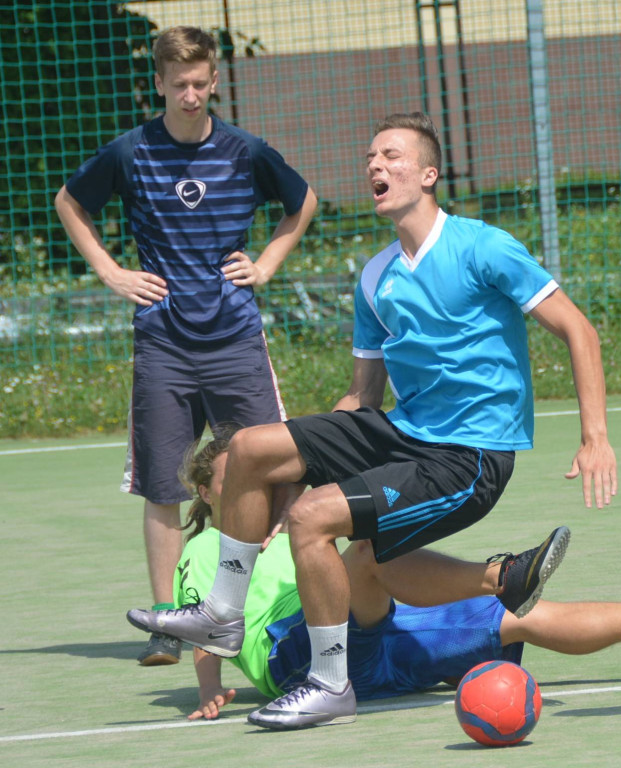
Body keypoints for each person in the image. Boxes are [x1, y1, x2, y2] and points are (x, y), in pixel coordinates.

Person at [127, 111, 618, 729]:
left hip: (468, 454)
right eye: (369, 159)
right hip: (405, 431)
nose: (375, 167)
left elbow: (579, 330)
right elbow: (362, 395)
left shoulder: (482, 246)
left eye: (391, 156)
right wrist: (309, 456)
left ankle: (331, 686)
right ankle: (223, 612)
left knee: (311, 519)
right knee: (251, 447)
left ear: (429, 173)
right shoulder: (376, 276)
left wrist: (594, 437)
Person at [130, 433, 621, 723]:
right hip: (293, 652)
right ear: (210, 493)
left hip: (368, 633)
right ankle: (503, 573)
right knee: (371, 548)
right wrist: (208, 686)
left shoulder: (297, 523)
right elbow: (208, 620)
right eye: (237, 479)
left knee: (511, 622)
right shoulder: (209, 546)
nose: (254, 486)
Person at [54, 26, 318, 667]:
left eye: (201, 84)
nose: (192, 95)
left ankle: (271, 608)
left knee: (278, 476)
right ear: (159, 84)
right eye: (180, 86)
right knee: (163, 487)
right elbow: (69, 202)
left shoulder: (243, 151)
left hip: (234, 340)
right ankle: (169, 625)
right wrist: (113, 273)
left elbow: (301, 201)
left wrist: (269, 262)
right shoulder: (130, 151)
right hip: (163, 345)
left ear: (214, 80)